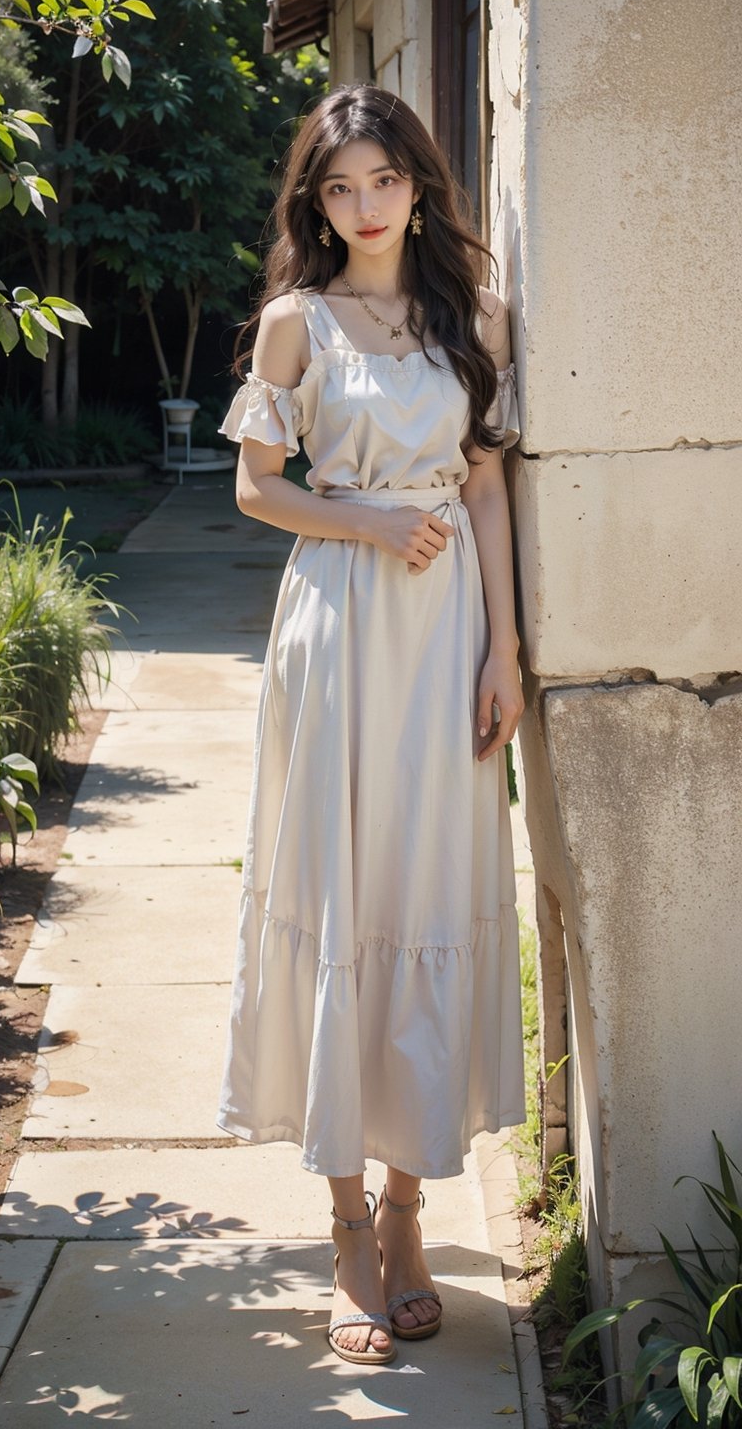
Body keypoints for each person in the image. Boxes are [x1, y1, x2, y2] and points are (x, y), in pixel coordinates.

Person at [216, 83, 526, 1366]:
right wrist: (375, 522)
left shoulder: (477, 320)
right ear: (316, 199)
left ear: (419, 181)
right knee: (344, 894)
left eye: (383, 182)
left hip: (448, 631)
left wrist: (507, 646)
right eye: (338, 189)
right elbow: (256, 490)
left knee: (429, 891)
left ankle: (410, 1210)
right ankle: (347, 1225)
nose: (364, 208)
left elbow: (491, 492)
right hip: (341, 627)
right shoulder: (297, 323)